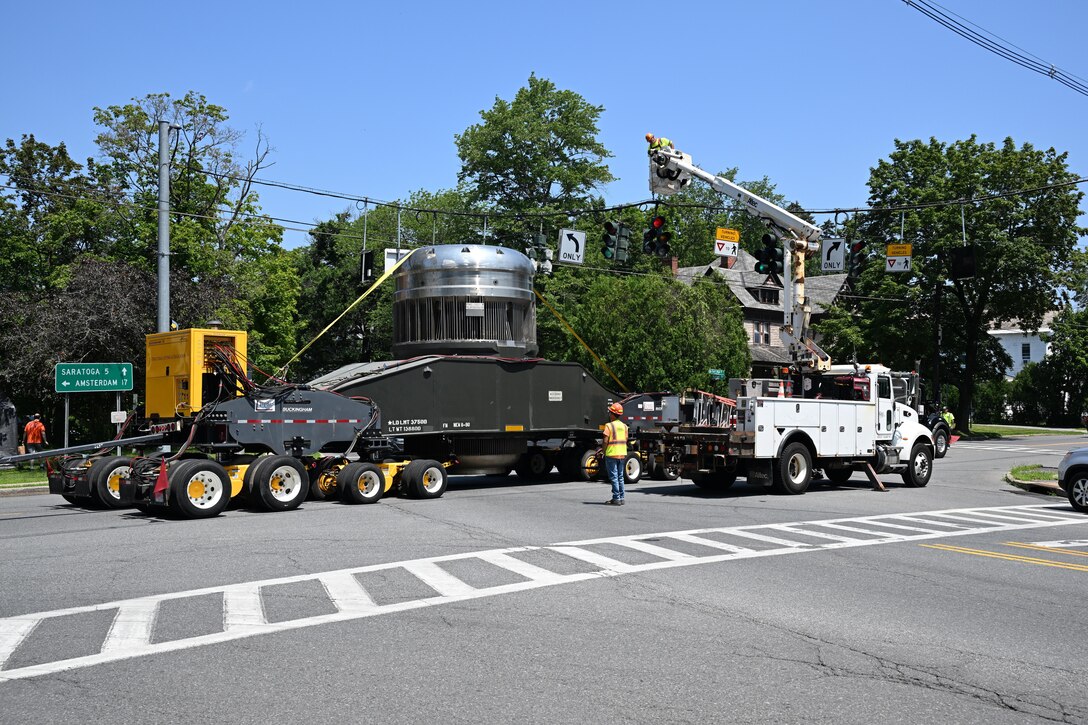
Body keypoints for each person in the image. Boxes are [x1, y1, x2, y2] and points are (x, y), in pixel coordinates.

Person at [602, 402, 629, 506]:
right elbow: (625, 439)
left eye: (610, 412)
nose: (609, 414)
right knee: (620, 477)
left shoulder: (609, 426)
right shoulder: (624, 426)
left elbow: (605, 441)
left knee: (614, 477)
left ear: (613, 414)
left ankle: (616, 498)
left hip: (611, 454)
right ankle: (621, 498)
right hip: (622, 454)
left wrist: (603, 451)